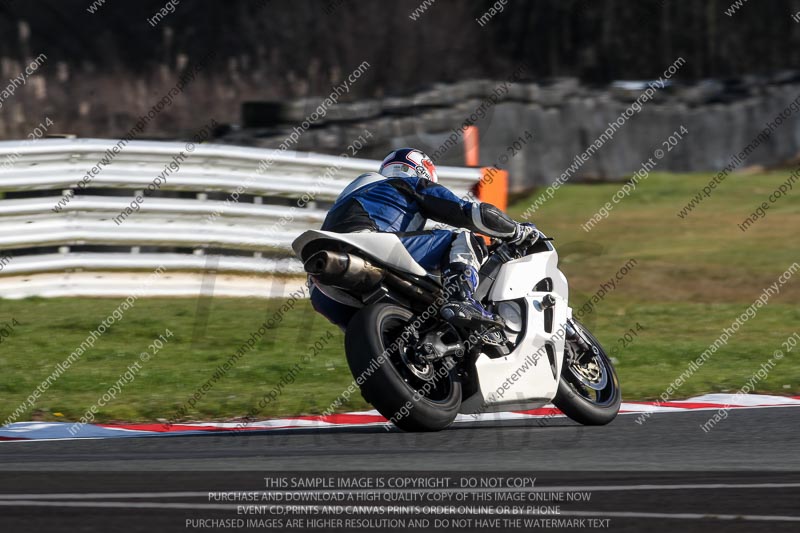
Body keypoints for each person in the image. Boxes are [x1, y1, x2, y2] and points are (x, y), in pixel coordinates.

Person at [309, 147, 538, 330]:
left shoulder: (354, 194)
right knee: (462, 238)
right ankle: (462, 299)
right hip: (368, 245)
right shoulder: (409, 184)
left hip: (321, 291)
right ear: (422, 172)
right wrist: (517, 231)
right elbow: (470, 213)